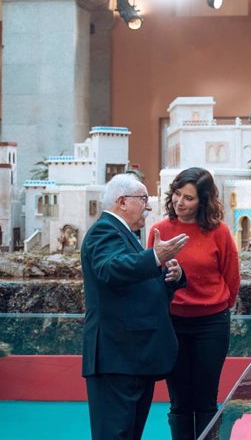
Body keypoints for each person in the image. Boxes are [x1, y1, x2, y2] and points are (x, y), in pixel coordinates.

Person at [81, 173, 190, 440]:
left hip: (131, 357)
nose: (148, 207)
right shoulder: (104, 231)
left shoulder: (124, 234)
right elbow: (110, 270)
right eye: (143, 200)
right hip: (116, 357)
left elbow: (136, 289)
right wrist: (154, 256)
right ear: (122, 201)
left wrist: (171, 280)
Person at [148, 167, 241, 440]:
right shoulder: (158, 230)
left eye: (188, 198)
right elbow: (147, 276)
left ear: (203, 201)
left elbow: (231, 276)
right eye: (177, 194)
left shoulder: (219, 232)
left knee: (205, 399)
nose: (179, 202)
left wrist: (219, 306)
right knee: (179, 401)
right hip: (172, 323)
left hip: (211, 324)